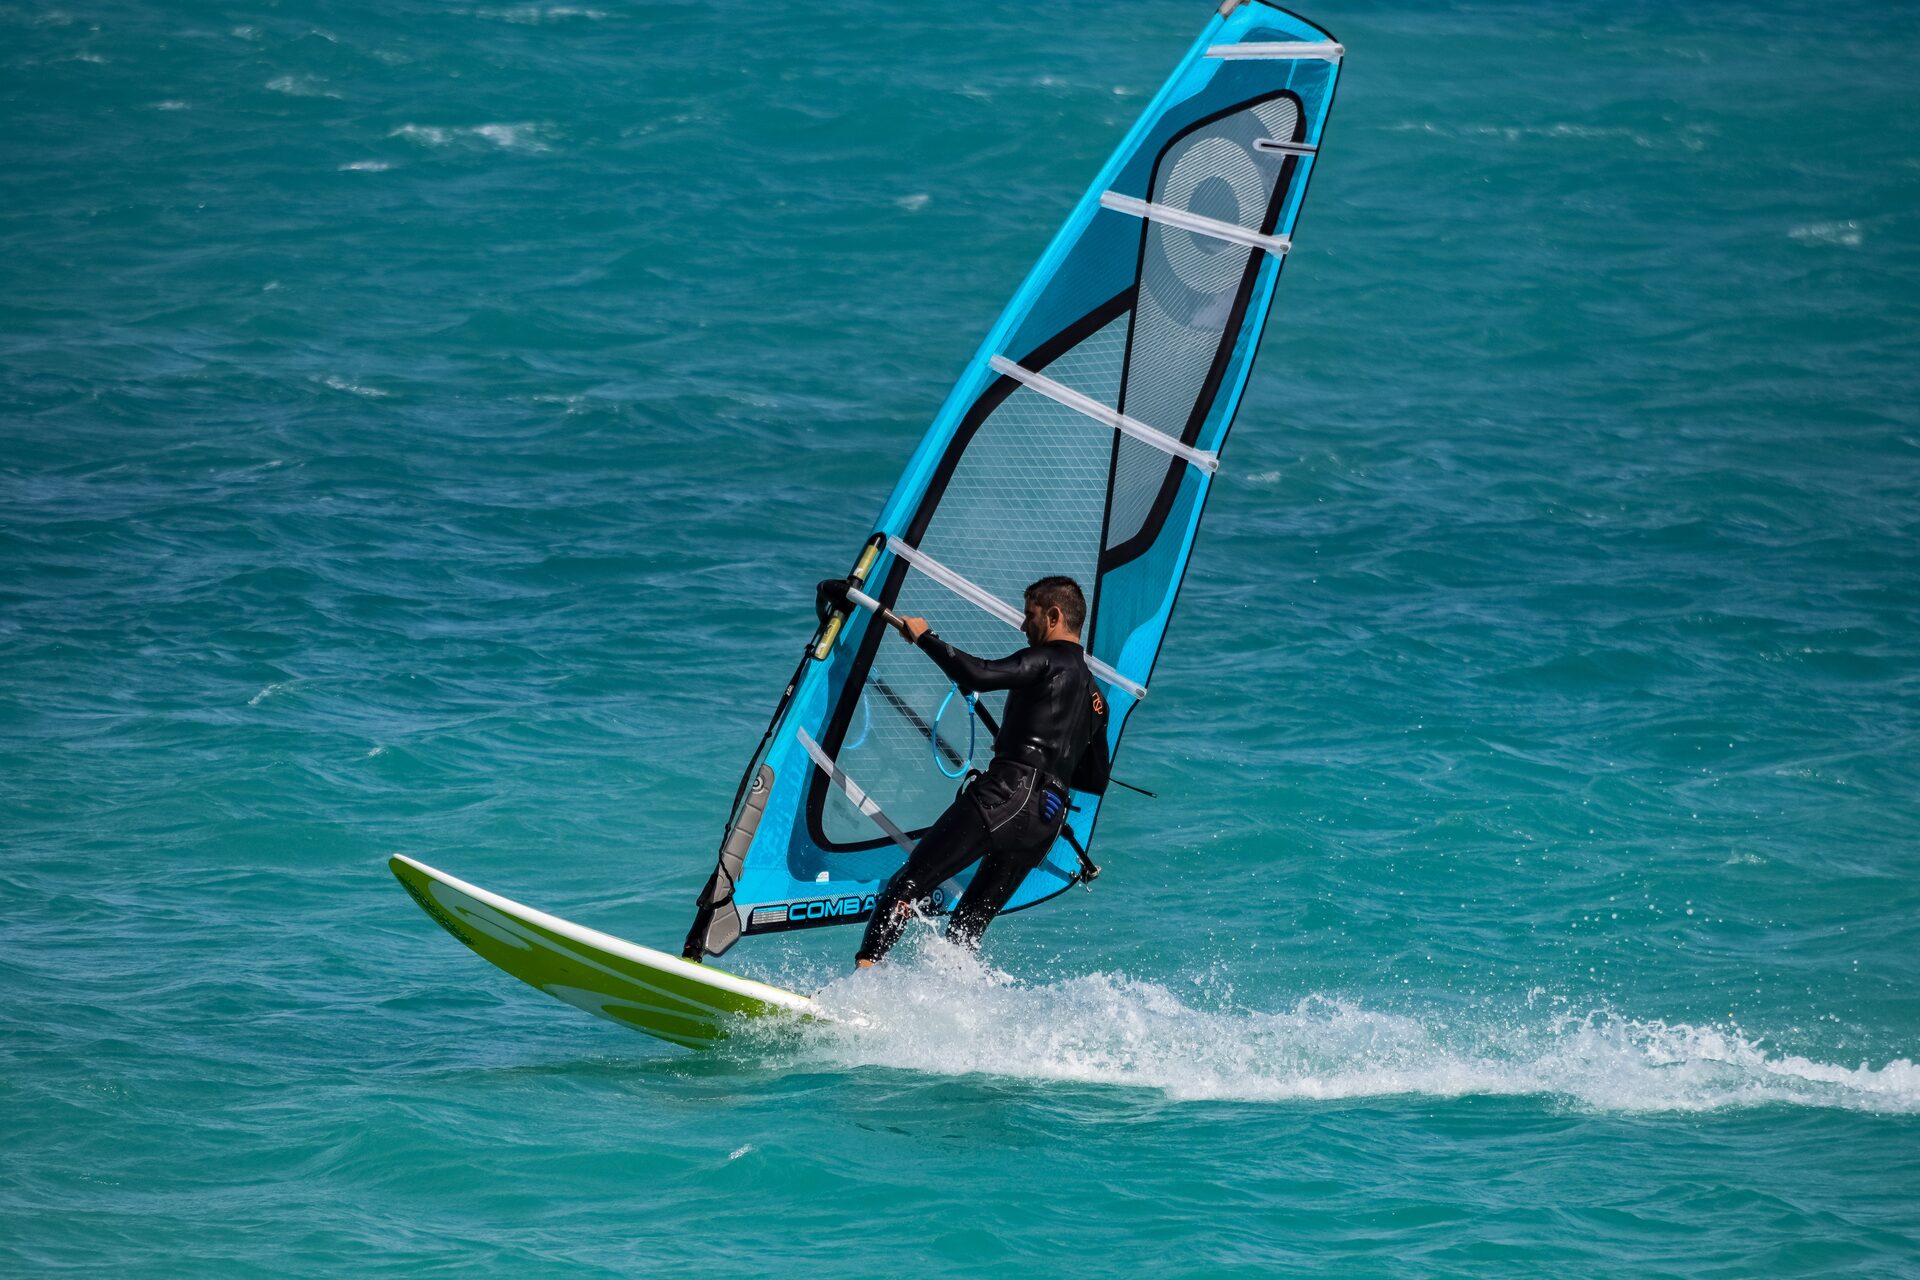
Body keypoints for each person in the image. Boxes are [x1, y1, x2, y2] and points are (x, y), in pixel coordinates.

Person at [855, 575, 1110, 967]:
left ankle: (862, 983)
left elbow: (979, 674)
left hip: (1007, 794)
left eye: (1030, 616)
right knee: (968, 925)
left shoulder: (1047, 660)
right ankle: (952, 1005)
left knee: (909, 883)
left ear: (1055, 616)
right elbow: (1094, 779)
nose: (1024, 626)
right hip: (1048, 818)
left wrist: (925, 637)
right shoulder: (1097, 701)